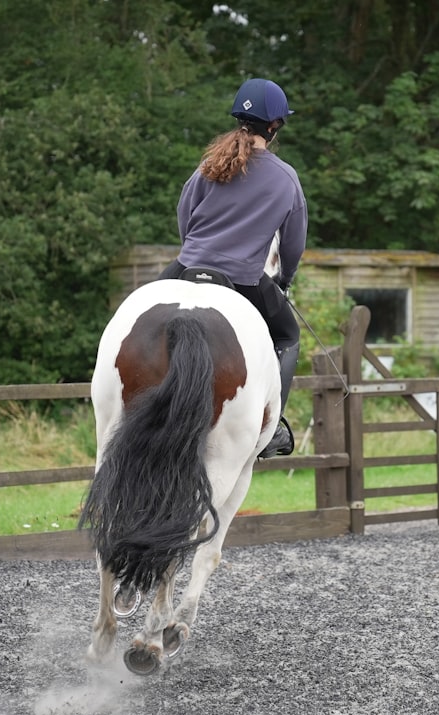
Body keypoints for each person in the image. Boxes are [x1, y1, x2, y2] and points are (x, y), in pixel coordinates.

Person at [158, 78, 307, 459]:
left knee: (135, 315)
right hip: (243, 280)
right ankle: (272, 425)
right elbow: (292, 245)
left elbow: (184, 217)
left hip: (187, 264)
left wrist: (196, 250)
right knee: (288, 334)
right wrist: (285, 280)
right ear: (274, 127)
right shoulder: (286, 178)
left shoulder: (210, 164)